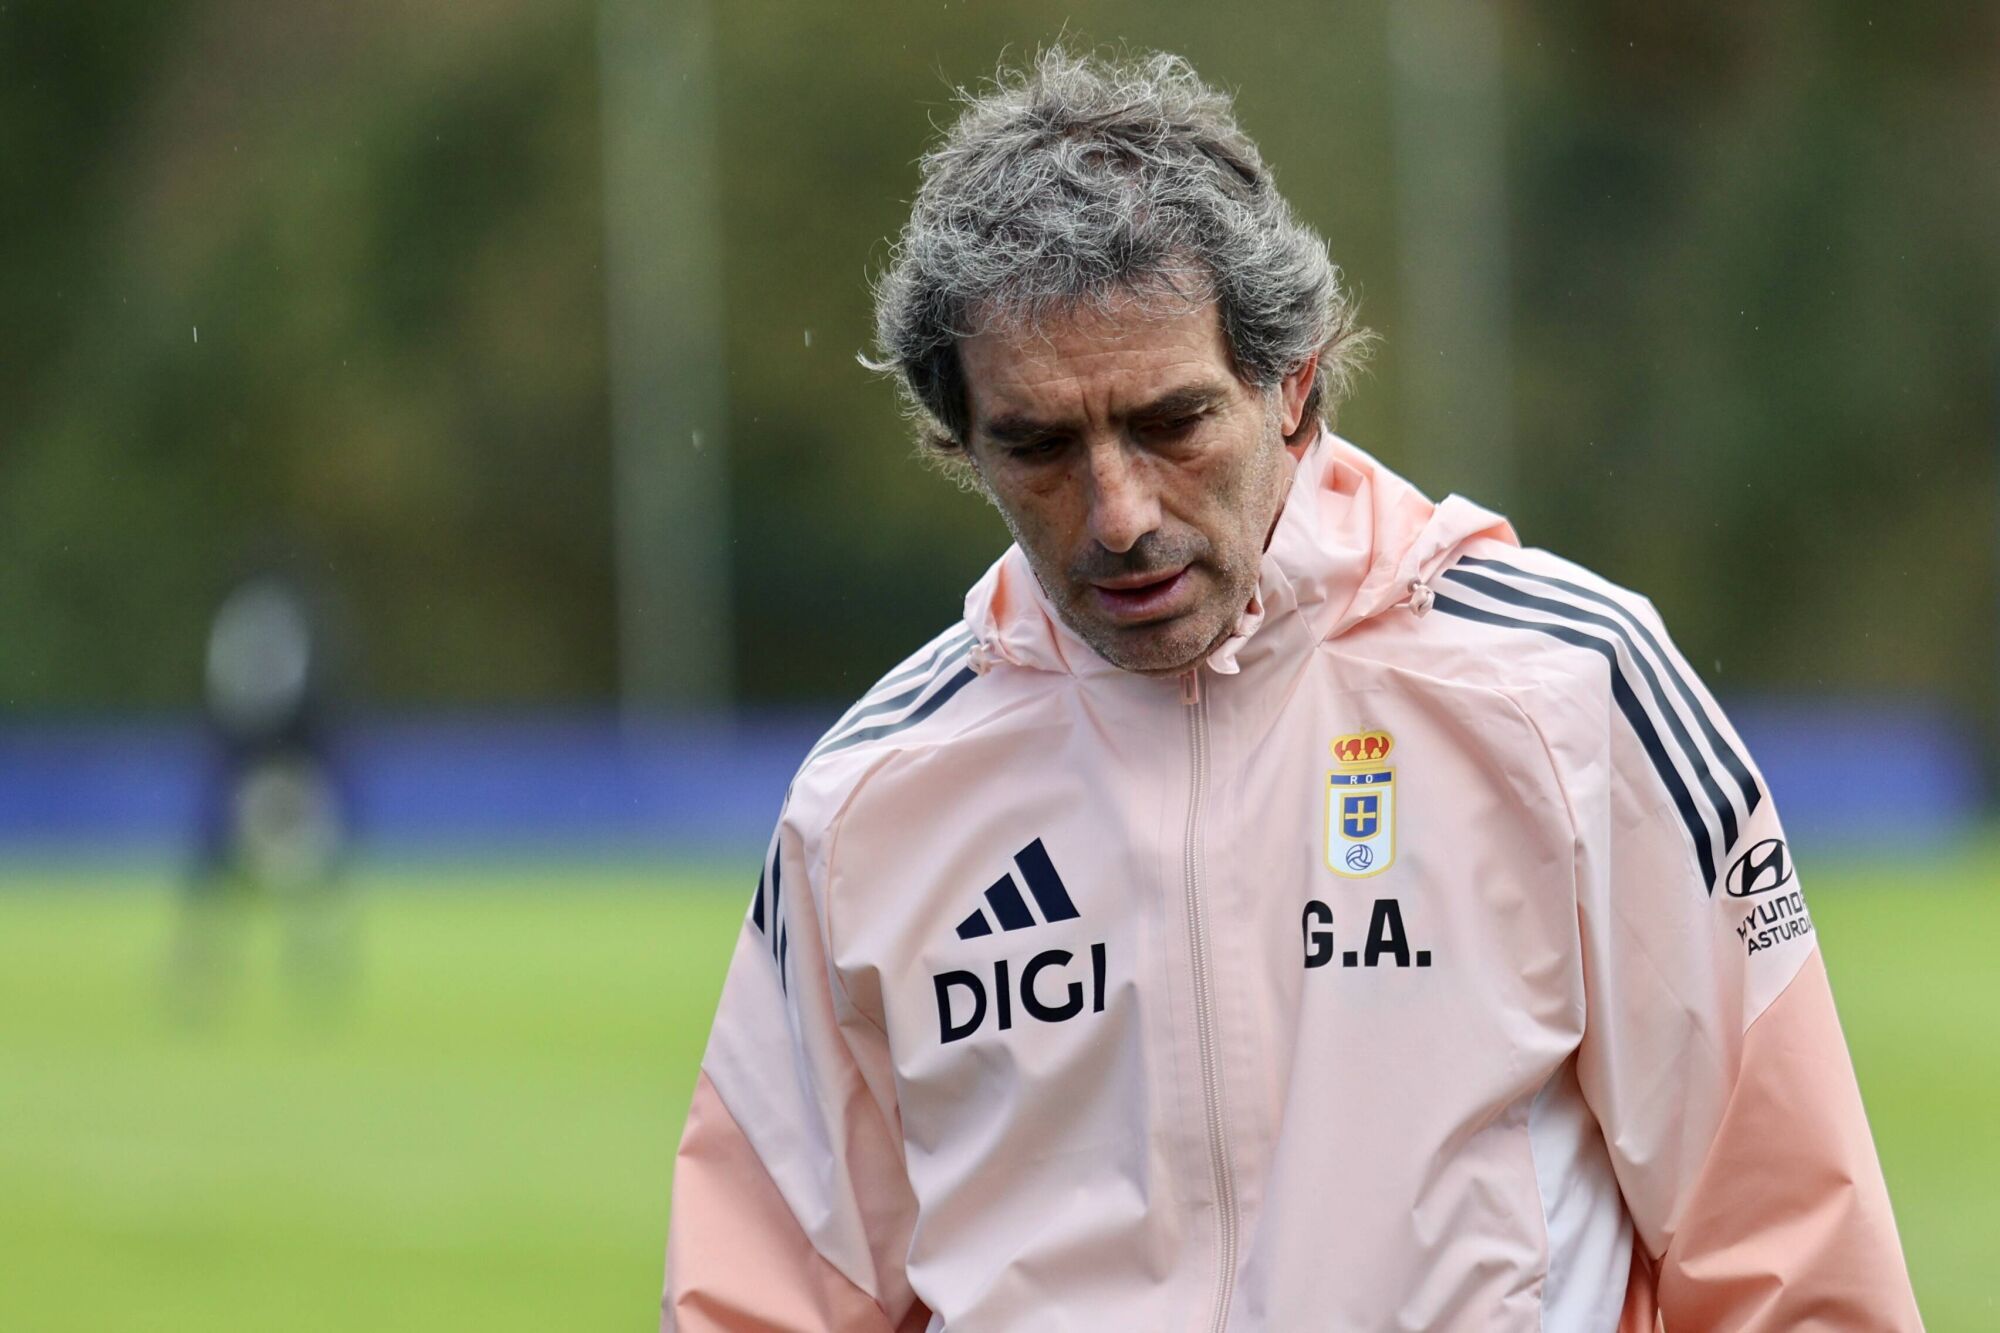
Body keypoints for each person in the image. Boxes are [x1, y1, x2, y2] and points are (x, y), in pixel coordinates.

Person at [662, 48, 1921, 1331]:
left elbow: (1782, 1248)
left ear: (1292, 384)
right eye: (1038, 445)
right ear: (959, 442)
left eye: (1170, 421)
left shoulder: (1563, 690)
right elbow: (764, 1295)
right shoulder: (868, 800)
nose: (1117, 514)